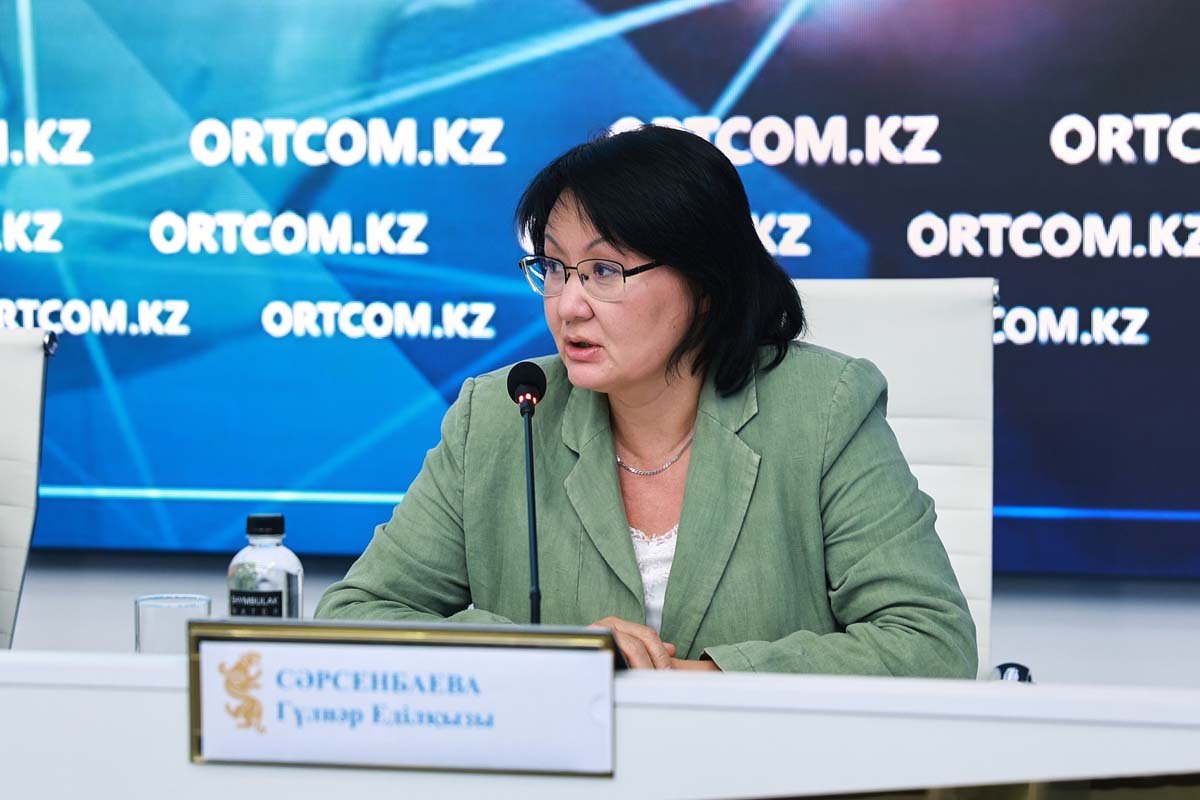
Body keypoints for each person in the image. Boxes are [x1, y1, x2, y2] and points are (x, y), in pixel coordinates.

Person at [315, 125, 977, 678]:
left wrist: (701, 681)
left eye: (605, 271)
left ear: (706, 284)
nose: (568, 305)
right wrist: (550, 657)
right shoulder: (502, 413)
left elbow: (930, 643)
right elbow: (356, 616)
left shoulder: (824, 409)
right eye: (553, 268)